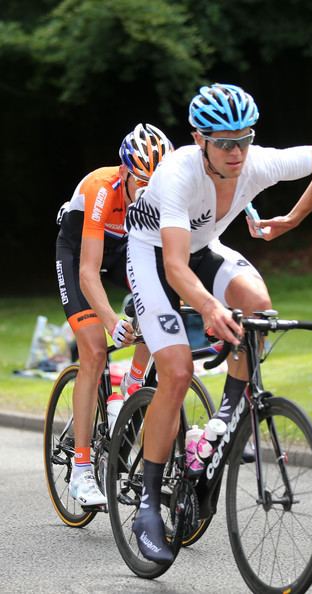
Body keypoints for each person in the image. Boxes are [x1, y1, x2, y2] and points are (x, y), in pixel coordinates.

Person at [125, 83, 312, 563]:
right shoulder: (175, 174)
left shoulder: (259, 162)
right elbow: (175, 268)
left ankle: (224, 420)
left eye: (244, 139)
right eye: (224, 142)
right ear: (198, 139)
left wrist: (292, 218)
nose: (236, 152)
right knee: (178, 370)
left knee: (257, 303)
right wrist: (209, 308)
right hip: (155, 256)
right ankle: (147, 505)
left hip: (203, 248)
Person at [55, 123, 173, 506]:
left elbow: (168, 265)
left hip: (123, 249)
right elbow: (88, 271)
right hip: (79, 252)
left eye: (156, 183)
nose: (148, 190)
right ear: (124, 172)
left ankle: (130, 389)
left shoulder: (161, 197)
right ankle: (82, 470)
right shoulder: (102, 189)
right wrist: (111, 322)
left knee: (161, 304)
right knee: (94, 350)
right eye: (142, 181)